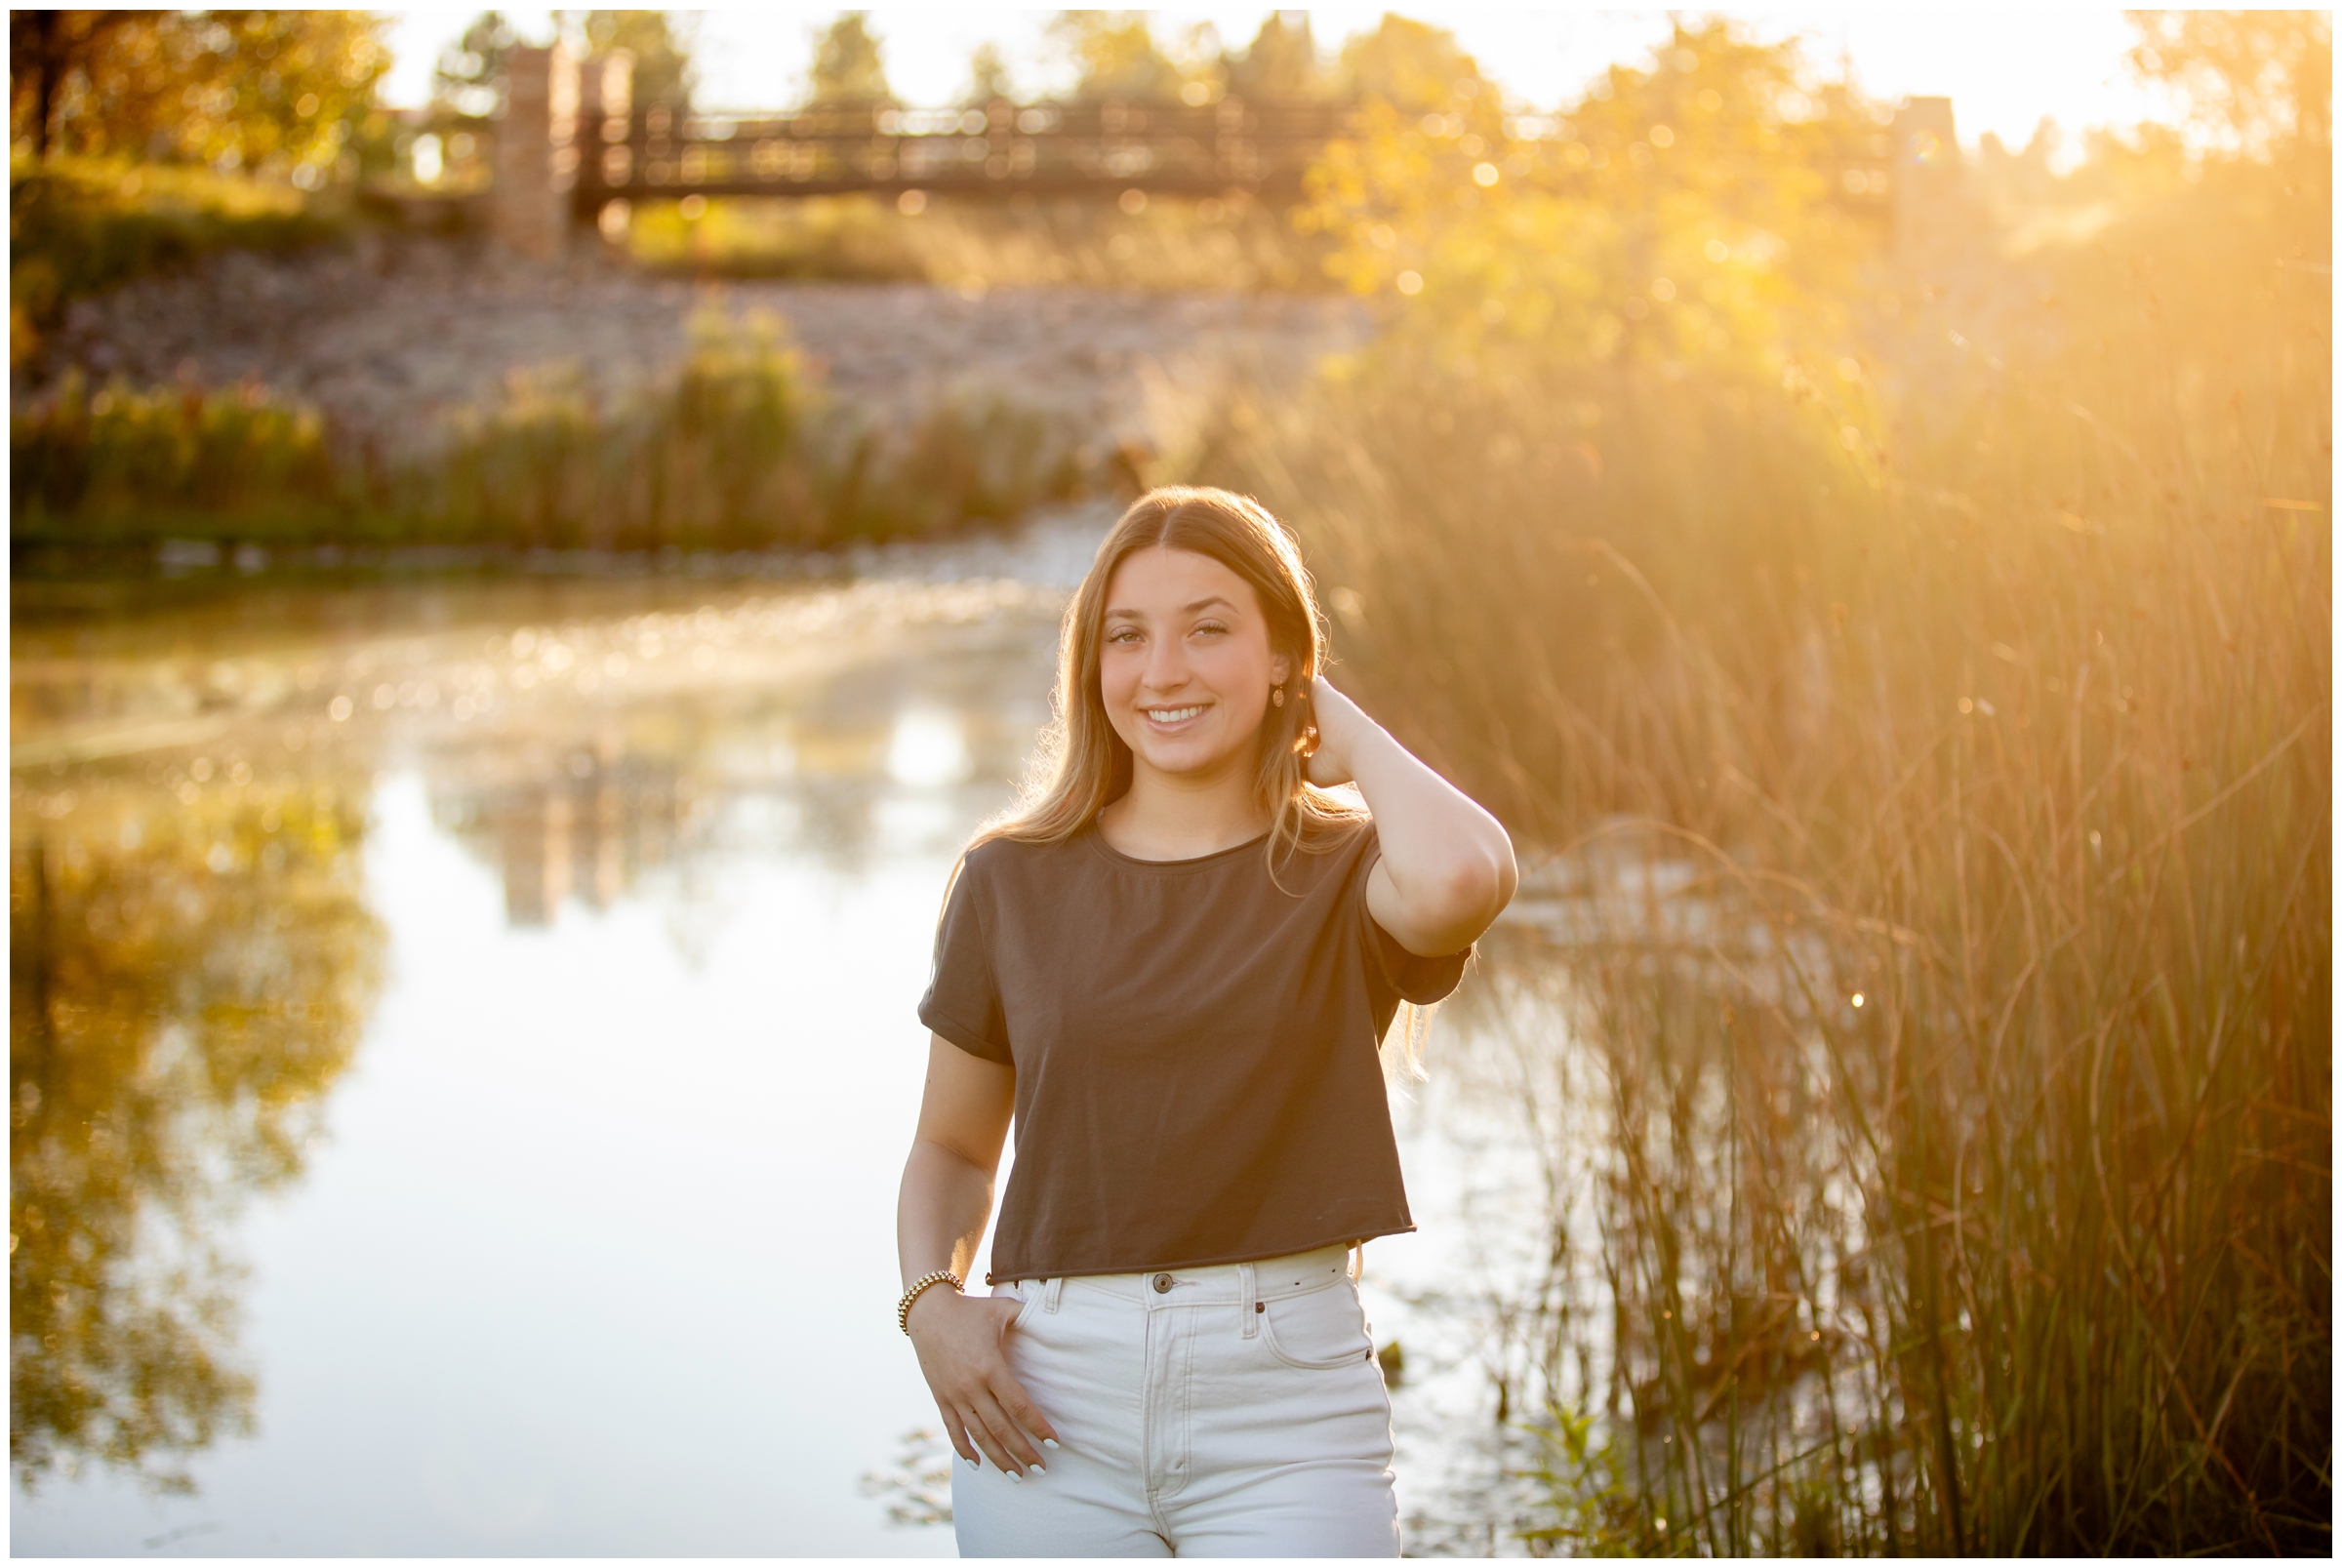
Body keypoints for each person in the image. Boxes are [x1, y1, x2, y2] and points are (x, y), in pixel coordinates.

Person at [894, 486, 1517, 1556]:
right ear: (1093, 665)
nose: (1163, 670)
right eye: (1127, 636)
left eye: (1211, 629)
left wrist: (1339, 724)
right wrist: (930, 1303)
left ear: (1285, 656)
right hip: (1050, 1400)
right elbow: (952, 1147)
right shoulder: (1010, 880)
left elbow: (1468, 871)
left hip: (1287, 1409)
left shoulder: (1346, 869)